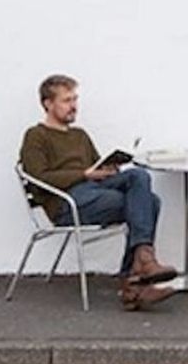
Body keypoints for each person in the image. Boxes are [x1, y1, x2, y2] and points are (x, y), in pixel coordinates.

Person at [19, 74, 177, 311]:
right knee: (148, 203)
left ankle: (140, 267)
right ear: (48, 104)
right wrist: (84, 174)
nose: (73, 106)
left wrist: (108, 169)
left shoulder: (79, 135)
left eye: (75, 99)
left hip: (94, 191)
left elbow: (95, 167)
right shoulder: (36, 136)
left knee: (139, 177)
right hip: (67, 202)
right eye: (66, 100)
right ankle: (135, 281)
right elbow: (39, 178)